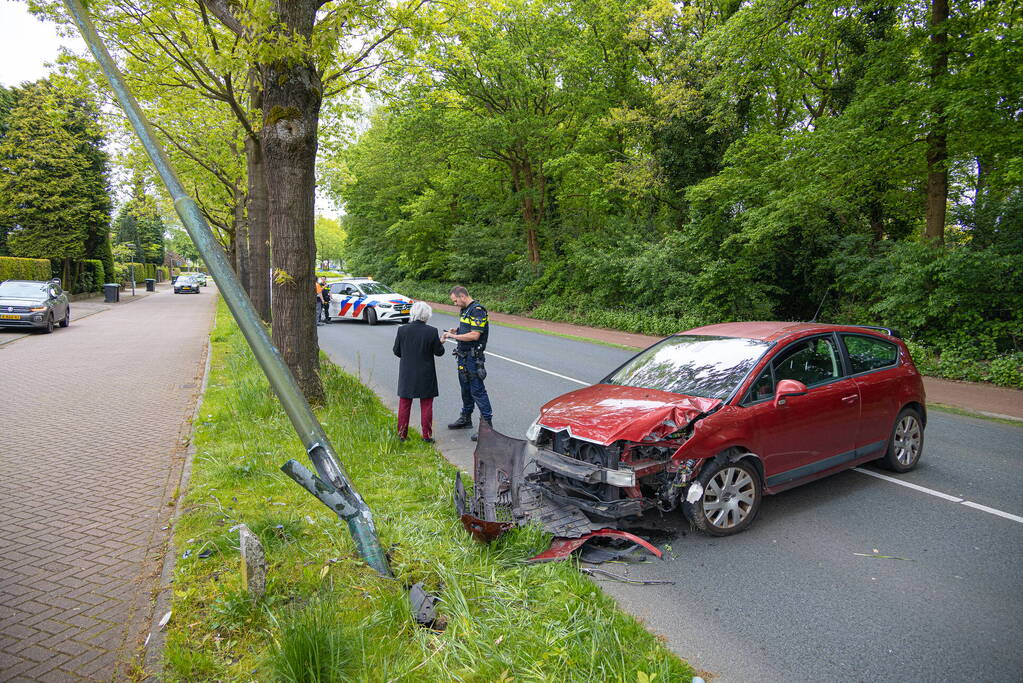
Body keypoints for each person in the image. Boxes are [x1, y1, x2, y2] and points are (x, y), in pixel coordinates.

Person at [440, 285, 492, 441]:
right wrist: (457, 330)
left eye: (455, 301)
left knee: (477, 390)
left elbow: (475, 335)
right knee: (465, 388)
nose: (455, 304)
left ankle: (487, 426)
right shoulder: (465, 310)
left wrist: (452, 336)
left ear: (462, 296)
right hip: (462, 356)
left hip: (473, 357)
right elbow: (467, 328)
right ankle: (466, 418)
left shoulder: (477, 310)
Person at [393, 301, 445, 442]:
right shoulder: (432, 331)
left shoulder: (402, 330)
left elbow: (396, 351)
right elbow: (439, 352)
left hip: (407, 372)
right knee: (426, 404)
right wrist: (441, 341)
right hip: (426, 373)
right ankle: (426, 436)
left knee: (404, 404)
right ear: (427, 315)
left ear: (413, 313)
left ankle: (402, 435)